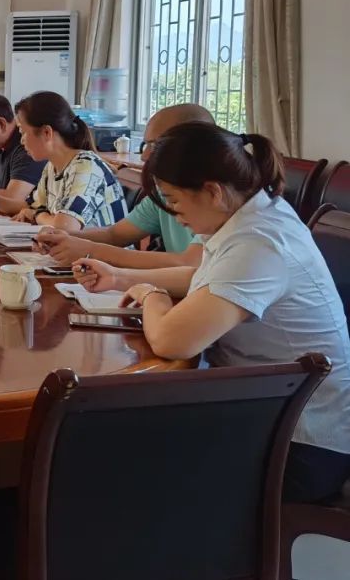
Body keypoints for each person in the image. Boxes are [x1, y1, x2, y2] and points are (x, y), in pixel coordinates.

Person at [73, 123, 350, 503]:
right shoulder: (253, 214)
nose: (172, 212)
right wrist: (120, 277)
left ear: (213, 192)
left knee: (108, 437)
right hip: (268, 412)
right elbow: (209, 280)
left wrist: (152, 295)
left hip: (299, 445)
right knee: (116, 427)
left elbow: (173, 341)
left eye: (173, 199)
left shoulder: (259, 243)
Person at [35, 103, 214, 267]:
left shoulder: (214, 199)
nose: (144, 156)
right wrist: (63, 237)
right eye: (145, 145)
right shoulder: (161, 193)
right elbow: (115, 234)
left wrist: (91, 250)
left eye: (155, 145)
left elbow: (189, 263)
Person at [0, 90, 126, 230]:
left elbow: (65, 227)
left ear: (46, 132)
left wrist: (37, 215)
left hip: (100, 250)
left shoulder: (85, 167)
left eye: (23, 132)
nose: (22, 140)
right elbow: (31, 206)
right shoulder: (52, 167)